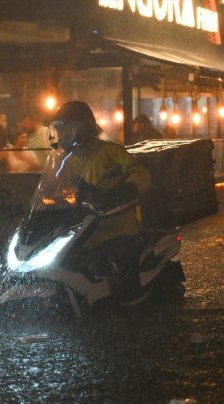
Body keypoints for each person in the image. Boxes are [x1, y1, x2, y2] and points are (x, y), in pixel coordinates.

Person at [51, 101, 151, 303]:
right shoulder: (67, 159)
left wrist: (123, 192)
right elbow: (60, 189)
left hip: (117, 227)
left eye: (69, 128)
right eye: (61, 129)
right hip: (84, 229)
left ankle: (136, 308)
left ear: (85, 127)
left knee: (124, 281)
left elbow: (140, 173)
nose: (65, 134)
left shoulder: (110, 151)